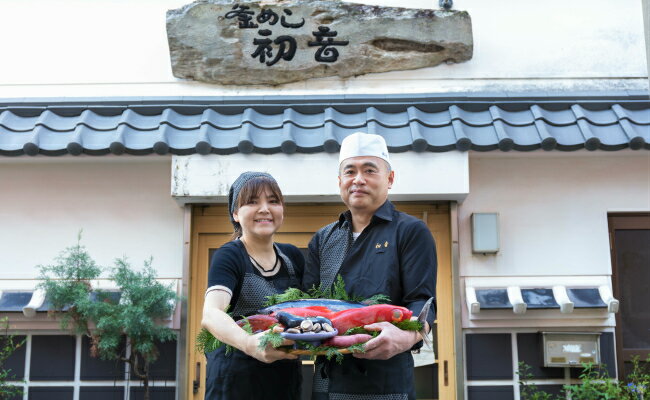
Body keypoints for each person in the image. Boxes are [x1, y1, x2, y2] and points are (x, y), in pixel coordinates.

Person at [303, 132, 437, 400]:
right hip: (327, 380)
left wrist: (406, 337)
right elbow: (309, 304)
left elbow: (421, 302)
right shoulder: (323, 238)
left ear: (389, 179)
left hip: (385, 382)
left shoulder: (410, 231)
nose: (358, 179)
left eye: (369, 170)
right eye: (350, 171)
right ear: (340, 181)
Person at [202, 172, 304, 400]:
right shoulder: (230, 255)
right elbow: (211, 313)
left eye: (273, 201)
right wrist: (249, 343)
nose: (265, 208)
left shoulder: (292, 256)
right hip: (234, 380)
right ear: (236, 214)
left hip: (284, 380)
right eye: (252, 201)